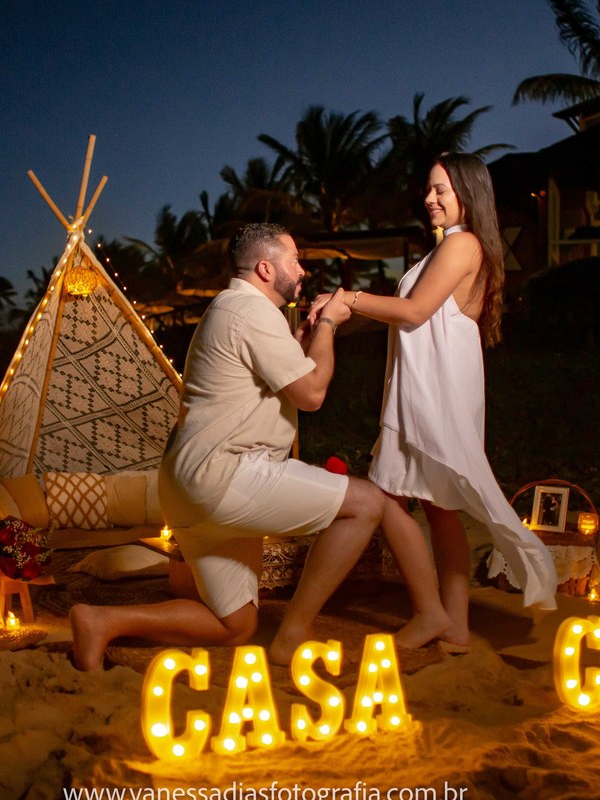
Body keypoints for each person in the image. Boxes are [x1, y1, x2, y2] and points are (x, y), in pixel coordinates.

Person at [71, 222, 443, 671]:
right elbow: (311, 394)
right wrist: (327, 323)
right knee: (365, 503)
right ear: (266, 268)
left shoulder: (232, 309)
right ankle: (294, 632)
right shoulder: (251, 312)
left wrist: (307, 338)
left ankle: (100, 622)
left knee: (236, 624)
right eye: (294, 260)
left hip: (188, 486)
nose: (302, 270)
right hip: (225, 476)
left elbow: (283, 375)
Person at [311, 153, 557, 652]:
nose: (429, 199)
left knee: (390, 498)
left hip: (437, 389)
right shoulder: (454, 247)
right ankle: (456, 627)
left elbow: (416, 311)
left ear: (468, 193)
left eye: (440, 190)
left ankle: (431, 615)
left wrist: (349, 299)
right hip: (430, 384)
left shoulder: (462, 244)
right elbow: (413, 312)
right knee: (437, 507)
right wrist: (339, 314)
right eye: (428, 189)